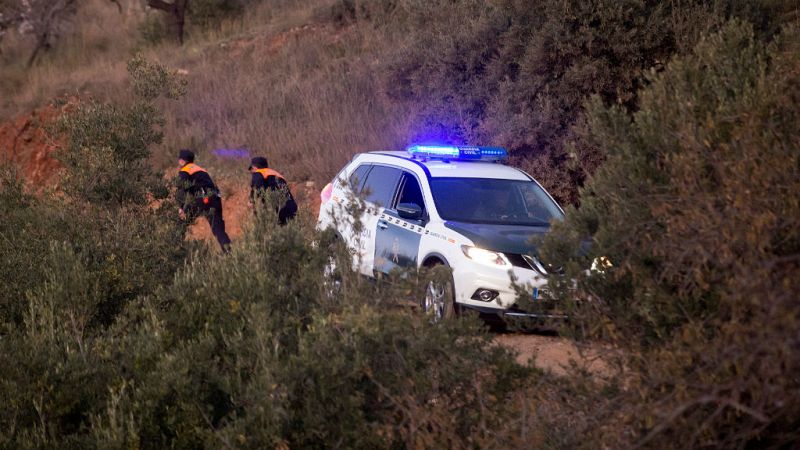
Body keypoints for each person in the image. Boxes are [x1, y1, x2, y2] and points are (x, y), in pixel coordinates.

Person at [176, 149, 231, 252]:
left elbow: (182, 189)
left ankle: (175, 249)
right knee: (218, 228)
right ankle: (228, 251)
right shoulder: (200, 169)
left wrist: (181, 207)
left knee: (180, 223)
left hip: (203, 198)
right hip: (215, 198)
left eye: (179, 159)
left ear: (183, 161)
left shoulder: (185, 170)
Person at [248, 156, 297, 225]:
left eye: (251, 169)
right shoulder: (277, 174)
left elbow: (257, 185)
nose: (251, 172)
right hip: (291, 208)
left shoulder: (258, 173)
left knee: (270, 232)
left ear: (254, 167)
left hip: (277, 209)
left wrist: (252, 200)